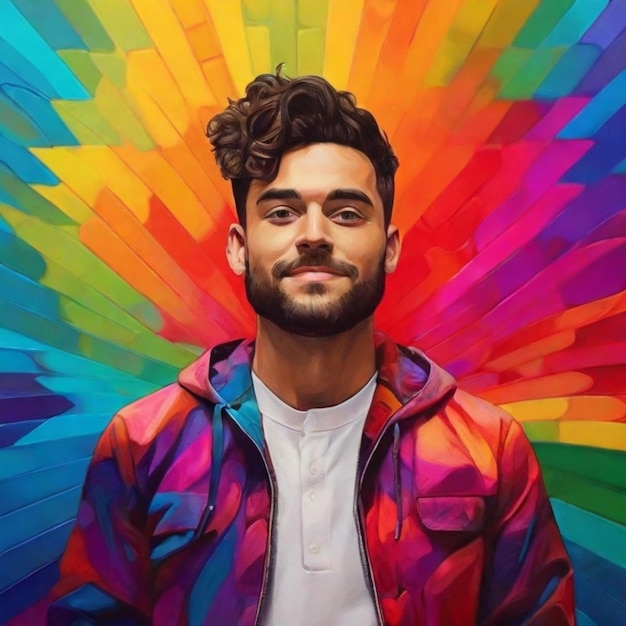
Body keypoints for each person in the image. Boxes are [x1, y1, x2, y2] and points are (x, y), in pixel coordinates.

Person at [47, 69, 575, 626]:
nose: (315, 234)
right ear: (239, 247)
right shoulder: (146, 444)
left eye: (347, 213)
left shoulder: (487, 450)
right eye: (282, 212)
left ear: (390, 248)